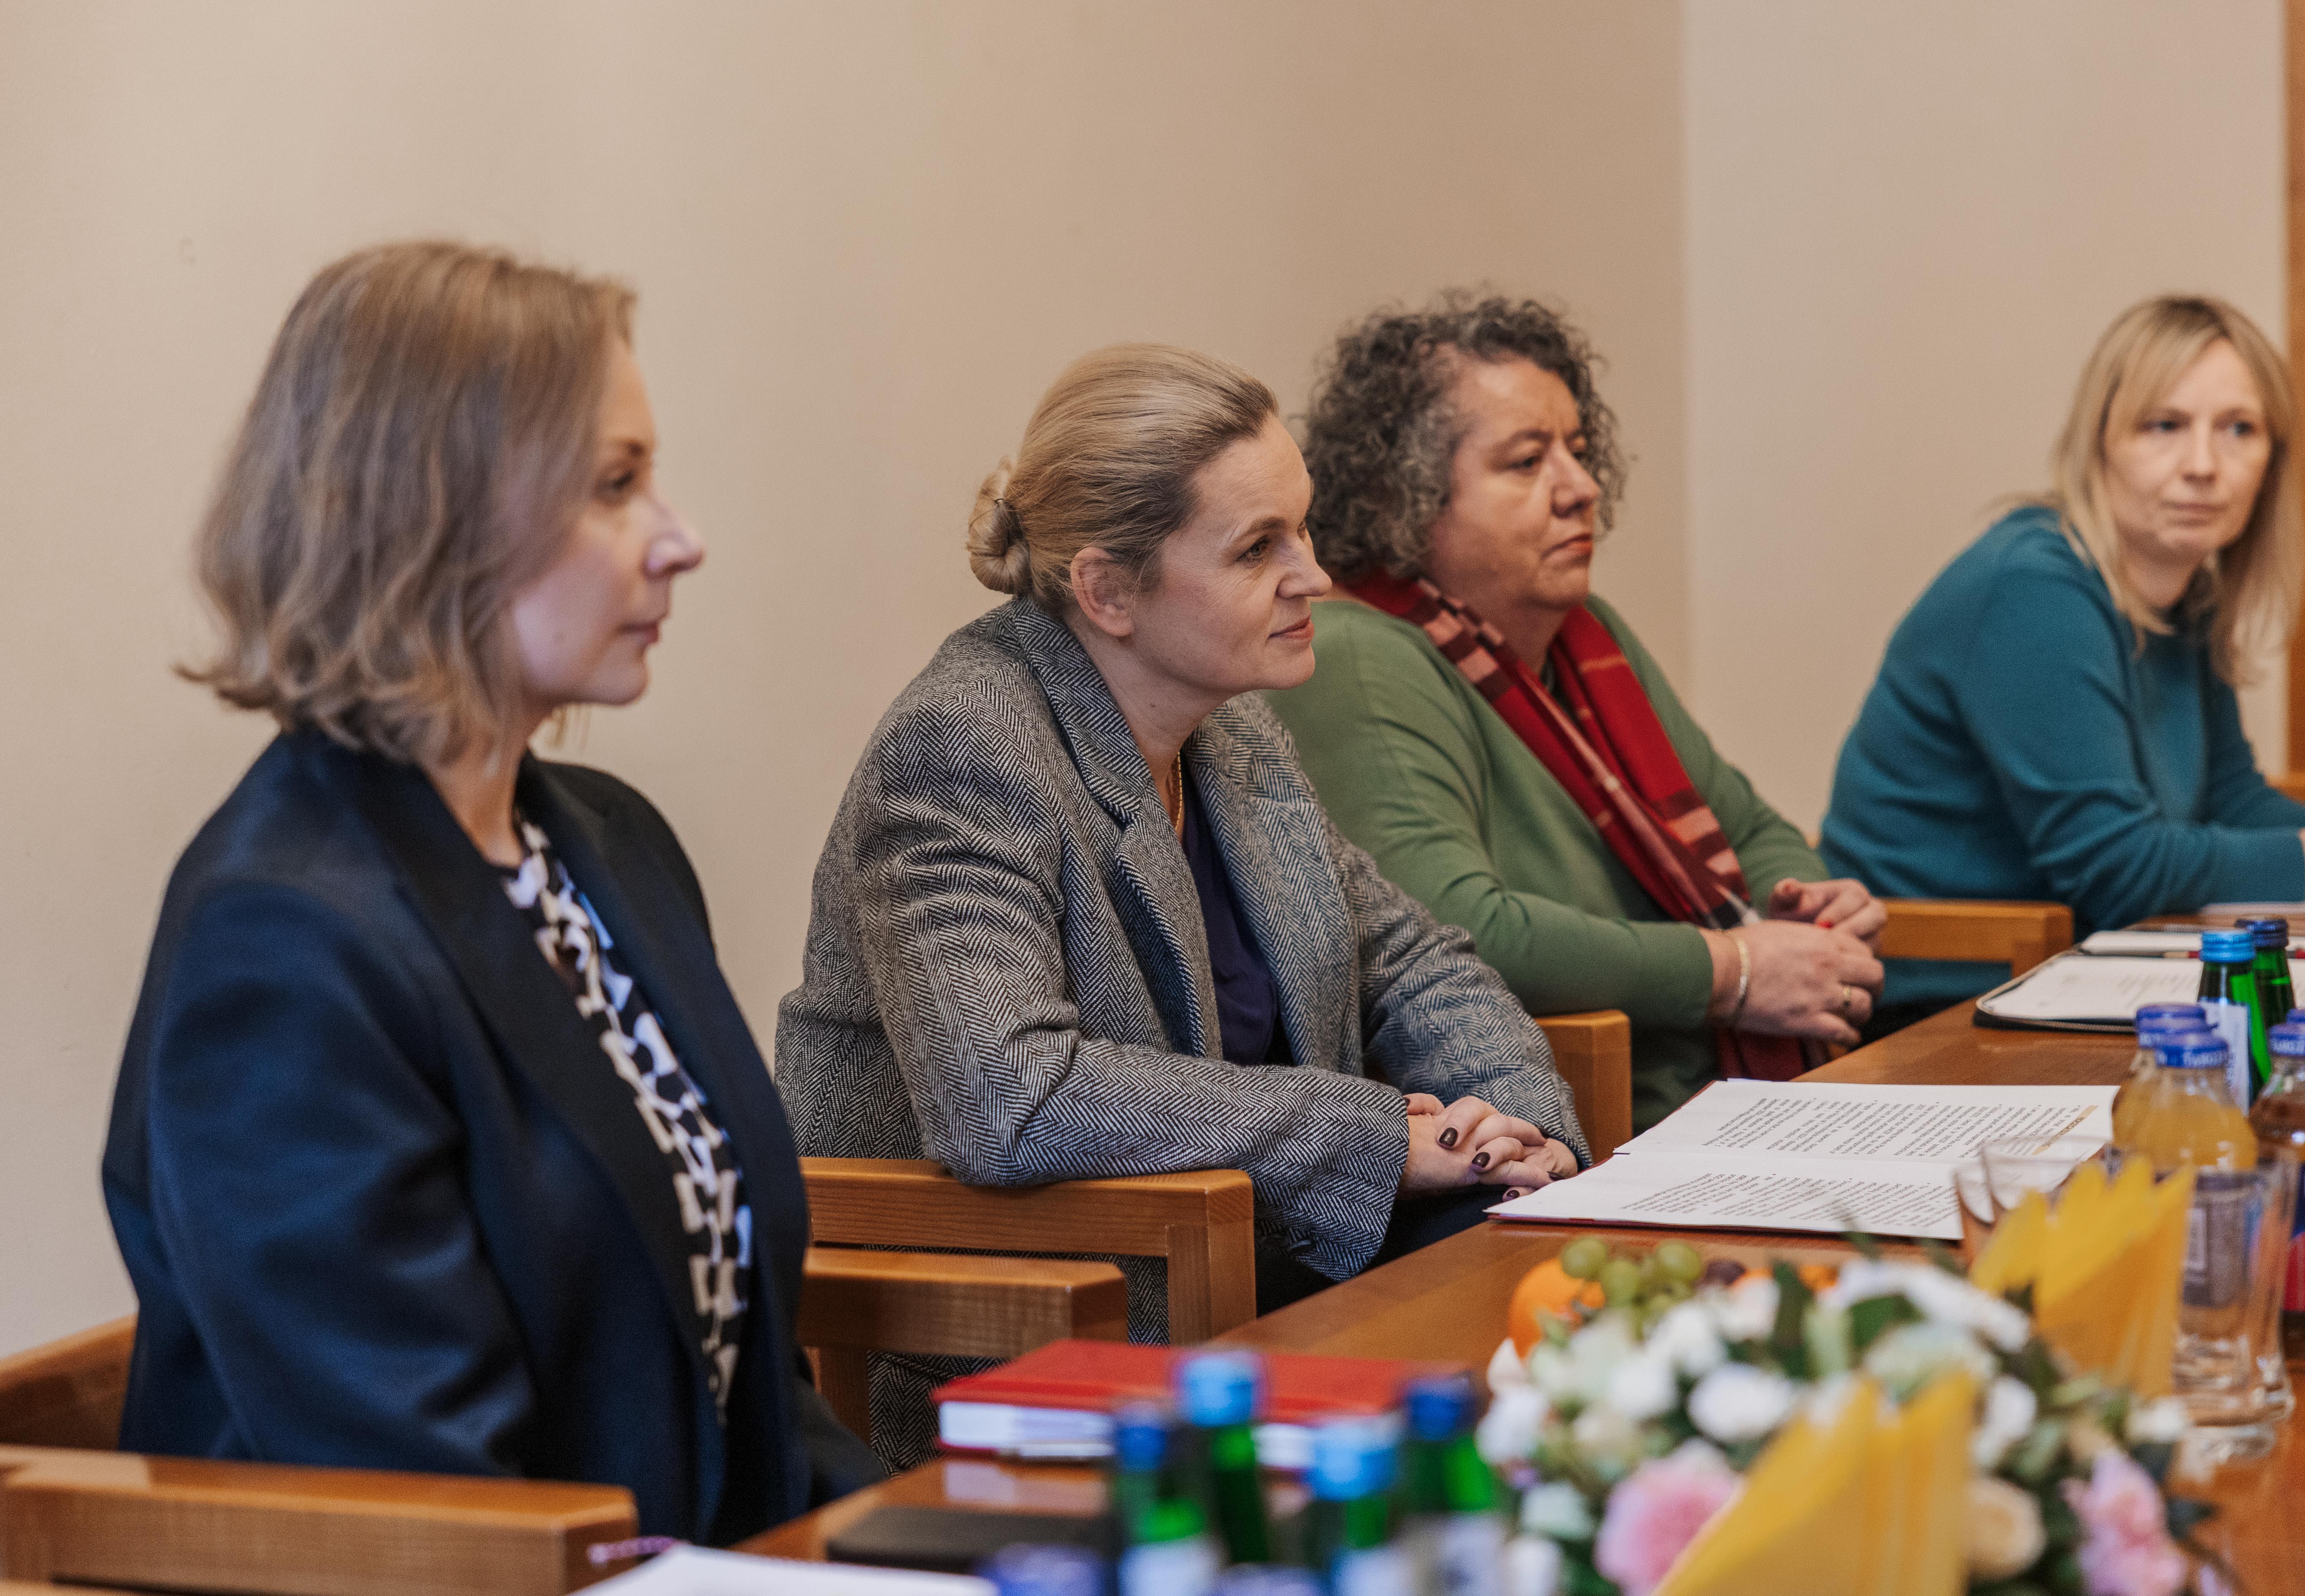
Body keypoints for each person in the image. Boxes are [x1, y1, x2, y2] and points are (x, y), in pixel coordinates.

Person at [103, 241, 879, 1544]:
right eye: (615, 485)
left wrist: (924, 1554)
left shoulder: (611, 843)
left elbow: (739, 1386)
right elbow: (427, 1506)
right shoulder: (283, 937)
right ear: (433, 522)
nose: (681, 539)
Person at [777, 343, 1586, 1352]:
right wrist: (1378, 1136)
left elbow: (1411, 962)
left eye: (1302, 527)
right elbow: (1010, 1095)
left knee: (1533, 1260)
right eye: (1257, 550)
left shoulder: (1232, 725)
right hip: (1046, 1327)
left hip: (1246, 1264)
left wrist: (1519, 1134)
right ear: (1109, 592)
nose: (1315, 575)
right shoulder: (965, 743)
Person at [1267, 294, 1884, 1130]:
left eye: (1580, 453)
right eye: (1527, 463)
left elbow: (1750, 827)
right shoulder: (1359, 652)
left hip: (1732, 1095)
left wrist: (1808, 911)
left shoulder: (1585, 633)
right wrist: (1734, 970)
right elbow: (1459, 929)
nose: (1582, 488)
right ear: (1403, 497)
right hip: (1600, 1117)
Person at [1821, 294, 2305, 1026]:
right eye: (2164, 426)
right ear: (2100, 444)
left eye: (2239, 430)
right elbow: (2119, 870)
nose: (2203, 466)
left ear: (2272, 461)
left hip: (2068, 973)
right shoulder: (2032, 587)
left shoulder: (2185, 596)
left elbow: (2231, 802)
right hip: (1939, 1001)